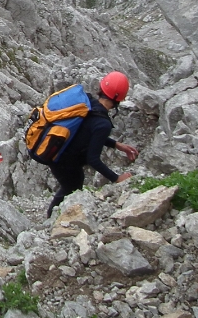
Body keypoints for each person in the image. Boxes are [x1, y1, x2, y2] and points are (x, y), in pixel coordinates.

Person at [45, 71, 139, 217]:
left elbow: (87, 133)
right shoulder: (103, 123)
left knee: (70, 187)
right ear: (118, 100)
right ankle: (51, 220)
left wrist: (116, 144)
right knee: (72, 187)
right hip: (65, 161)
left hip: (57, 150)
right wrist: (116, 178)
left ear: (101, 88)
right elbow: (93, 159)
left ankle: (53, 217)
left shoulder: (88, 104)